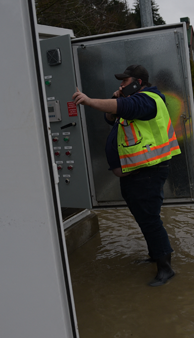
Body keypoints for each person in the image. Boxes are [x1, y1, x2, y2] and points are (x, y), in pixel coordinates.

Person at [72, 65, 181, 287]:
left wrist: (88, 100)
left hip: (149, 171)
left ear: (138, 82)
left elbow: (120, 107)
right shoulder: (134, 103)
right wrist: (115, 100)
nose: (120, 85)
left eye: (124, 81)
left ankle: (166, 269)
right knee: (145, 217)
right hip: (138, 173)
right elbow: (112, 117)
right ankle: (155, 255)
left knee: (150, 219)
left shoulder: (147, 100)